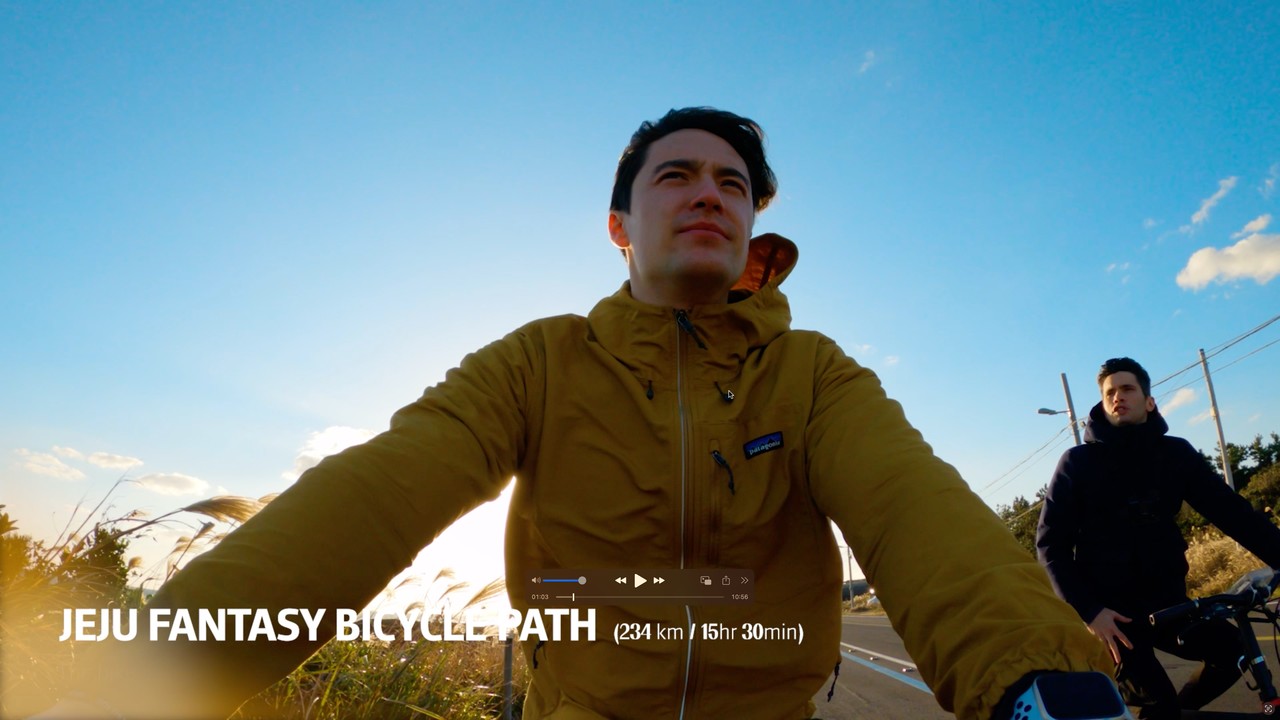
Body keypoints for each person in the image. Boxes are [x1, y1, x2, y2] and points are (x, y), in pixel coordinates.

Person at [53, 107, 1110, 719]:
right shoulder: (539, 363)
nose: (708, 192)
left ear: (752, 228)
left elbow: (920, 516)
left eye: (732, 183)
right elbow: (368, 499)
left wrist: (1038, 683)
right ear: (620, 224)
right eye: (676, 175)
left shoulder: (813, 374)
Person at [1037, 357, 1280, 719]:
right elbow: (1050, 546)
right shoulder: (1077, 462)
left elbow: (1233, 513)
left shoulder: (1175, 454)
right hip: (1112, 617)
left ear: (1149, 401)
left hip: (1170, 605)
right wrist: (1089, 612)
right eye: (1109, 392)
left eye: (1127, 389)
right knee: (1157, 702)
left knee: (1234, 654)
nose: (1117, 396)